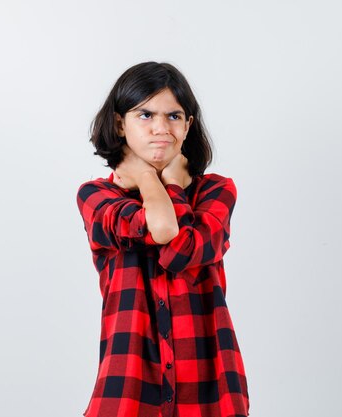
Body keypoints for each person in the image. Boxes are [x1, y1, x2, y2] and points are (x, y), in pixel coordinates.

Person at [76, 61, 250, 417]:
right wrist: (149, 178)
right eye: (145, 115)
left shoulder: (216, 191)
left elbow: (181, 252)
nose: (161, 128)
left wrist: (165, 182)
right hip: (129, 383)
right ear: (119, 124)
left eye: (174, 116)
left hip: (209, 385)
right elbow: (163, 228)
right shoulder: (97, 197)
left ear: (188, 126)